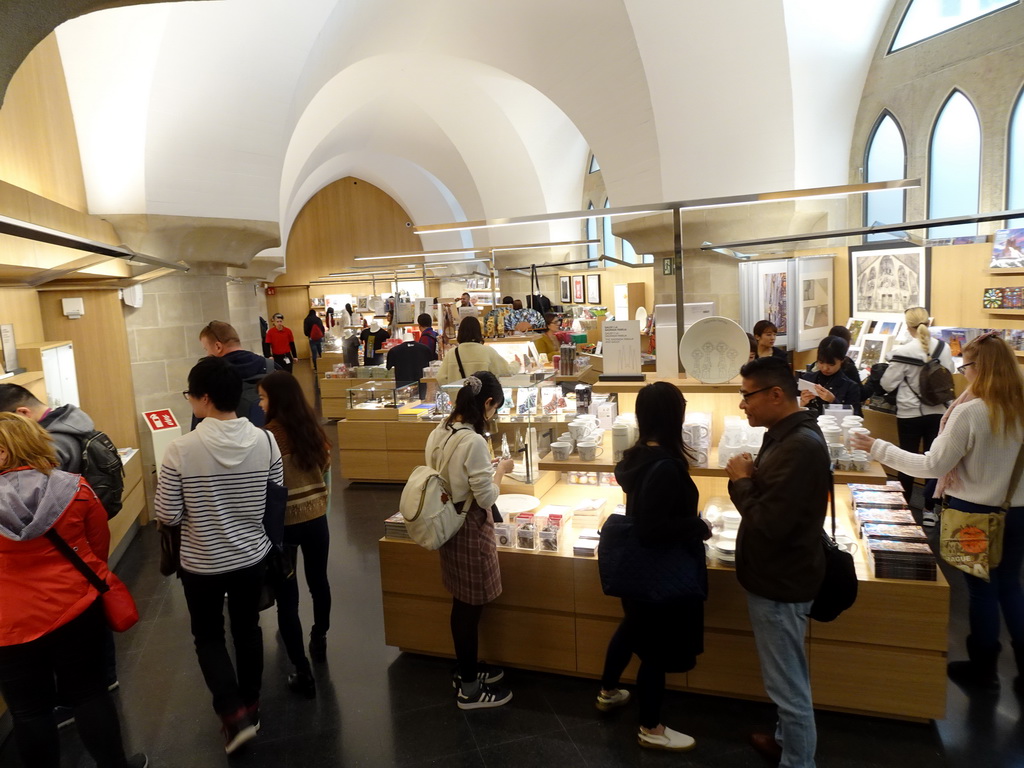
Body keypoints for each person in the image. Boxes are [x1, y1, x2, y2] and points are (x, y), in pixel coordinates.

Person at [852, 332, 1024, 692]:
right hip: (1019, 513)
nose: (963, 373)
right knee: (1010, 587)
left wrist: (878, 448)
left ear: (979, 367)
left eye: (966, 366)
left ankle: (984, 670)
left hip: (974, 512)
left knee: (981, 591)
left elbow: (933, 465)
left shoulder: (971, 411)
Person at [0, 413, 147, 768]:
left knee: (29, 711)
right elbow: (97, 548)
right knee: (89, 694)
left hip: (9, 625)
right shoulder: (75, 489)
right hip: (76, 609)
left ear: (4, 452)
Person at [155, 357, 283, 754]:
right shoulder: (266, 440)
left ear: (205, 398)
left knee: (208, 636)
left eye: (190, 395)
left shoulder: (180, 450)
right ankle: (252, 707)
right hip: (251, 556)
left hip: (202, 563)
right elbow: (274, 497)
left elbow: (168, 514)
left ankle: (232, 712)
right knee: (247, 630)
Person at [726, 356, 830, 768]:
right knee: (788, 676)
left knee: (787, 686)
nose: (742, 405)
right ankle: (788, 744)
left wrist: (741, 481)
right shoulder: (786, 435)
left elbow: (769, 522)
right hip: (781, 575)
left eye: (746, 396)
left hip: (781, 581)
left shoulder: (799, 446)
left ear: (774, 394)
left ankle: (798, 762)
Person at [596, 381, 709, 751]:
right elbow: (654, 528)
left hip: (638, 568)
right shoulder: (665, 466)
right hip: (659, 567)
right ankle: (651, 728)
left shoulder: (638, 454)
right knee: (656, 652)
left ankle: (609, 690)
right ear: (673, 416)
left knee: (632, 628)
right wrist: (699, 526)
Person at [0, 383, 122, 715]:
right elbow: (96, 540)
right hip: (74, 596)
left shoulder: (60, 449)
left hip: (11, 618)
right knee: (90, 693)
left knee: (28, 712)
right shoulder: (74, 475)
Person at [425, 371, 514, 709]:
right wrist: (501, 470)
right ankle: (470, 689)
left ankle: (467, 668)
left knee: (461, 602)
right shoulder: (474, 441)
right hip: (470, 529)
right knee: (469, 607)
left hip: (448, 523)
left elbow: (446, 476)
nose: (493, 415)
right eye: (494, 409)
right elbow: (487, 496)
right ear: (487, 403)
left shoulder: (440, 430)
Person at [257, 372, 332, 698]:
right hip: (316, 517)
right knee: (319, 582)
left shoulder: (268, 437)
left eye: (262, 397)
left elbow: (264, 484)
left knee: (288, 598)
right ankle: (320, 635)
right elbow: (326, 467)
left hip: (283, 525)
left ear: (276, 399)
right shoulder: (313, 430)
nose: (260, 404)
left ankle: (302, 670)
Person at [880, 307, 955, 525]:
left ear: (907, 326)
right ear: (928, 324)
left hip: (909, 413)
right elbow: (949, 373)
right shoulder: (944, 347)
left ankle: (903, 509)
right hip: (939, 411)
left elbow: (887, 383)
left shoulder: (903, 351)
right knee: (934, 461)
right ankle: (930, 510)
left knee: (906, 460)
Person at [199, 320, 274, 428]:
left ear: (218, 347)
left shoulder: (209, 377)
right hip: (271, 440)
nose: (207, 354)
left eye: (206, 349)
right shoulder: (271, 367)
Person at [435, 317, 513, 385]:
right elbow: (507, 371)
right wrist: (517, 363)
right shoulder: (488, 351)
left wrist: (453, 392)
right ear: (479, 332)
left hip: (459, 400)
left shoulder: (452, 353)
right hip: (483, 399)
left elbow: (441, 378)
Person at [798, 336, 863, 417]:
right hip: (808, 426)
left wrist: (833, 401)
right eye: (821, 362)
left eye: (831, 364)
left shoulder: (850, 387)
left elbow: (856, 418)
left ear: (842, 360)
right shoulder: (807, 379)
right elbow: (790, 412)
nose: (825, 368)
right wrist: (801, 403)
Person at [386, 333, 437, 399]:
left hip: (403, 387)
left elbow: (388, 367)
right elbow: (432, 364)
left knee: (405, 406)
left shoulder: (394, 351)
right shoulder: (425, 349)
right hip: (421, 387)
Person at [827, 324, 869, 401]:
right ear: (848, 343)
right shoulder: (847, 366)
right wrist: (871, 381)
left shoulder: (821, 362)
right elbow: (861, 395)